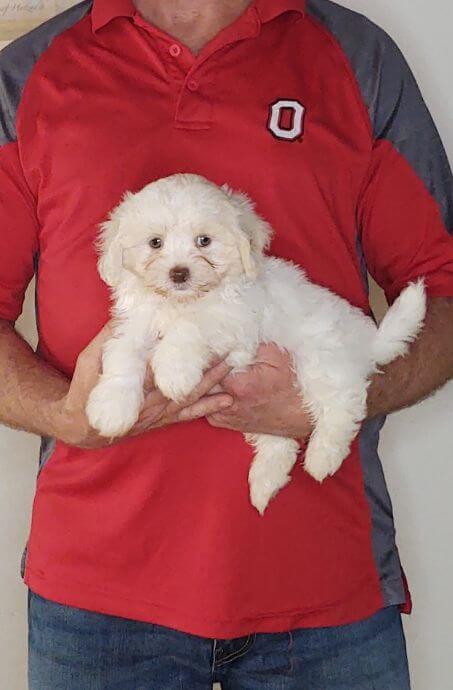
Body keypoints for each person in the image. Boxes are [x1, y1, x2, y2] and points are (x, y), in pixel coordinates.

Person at [1, 1, 452, 688]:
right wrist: (62, 414)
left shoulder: (356, 57)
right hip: (96, 599)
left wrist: (340, 395)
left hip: (323, 589)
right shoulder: (30, 70)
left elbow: (442, 287)